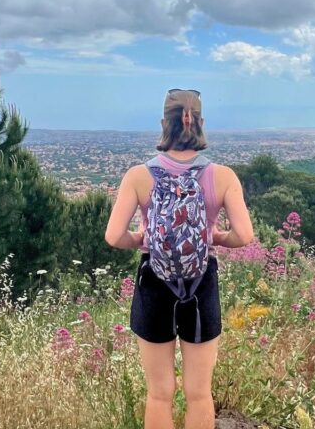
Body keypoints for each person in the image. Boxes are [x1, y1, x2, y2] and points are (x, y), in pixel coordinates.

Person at [105, 88, 254, 429]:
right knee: (199, 392)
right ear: (200, 123)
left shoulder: (138, 176)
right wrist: (214, 237)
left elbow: (114, 236)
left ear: (164, 124)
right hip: (200, 283)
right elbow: (244, 235)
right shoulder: (223, 176)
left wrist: (141, 239)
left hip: (154, 284)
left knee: (159, 393)